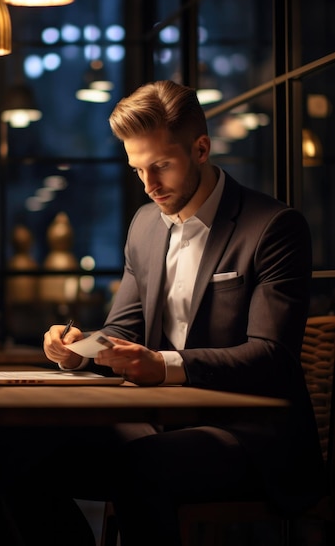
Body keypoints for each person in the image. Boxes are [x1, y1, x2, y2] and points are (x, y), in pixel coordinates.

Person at [43, 80, 325, 546]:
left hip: (252, 437)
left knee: (140, 468)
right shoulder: (145, 226)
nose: (150, 185)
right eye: (138, 169)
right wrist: (79, 349)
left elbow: (272, 357)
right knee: (25, 456)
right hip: (163, 423)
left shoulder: (274, 227)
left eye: (162, 166)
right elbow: (122, 330)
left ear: (201, 148)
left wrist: (163, 366)